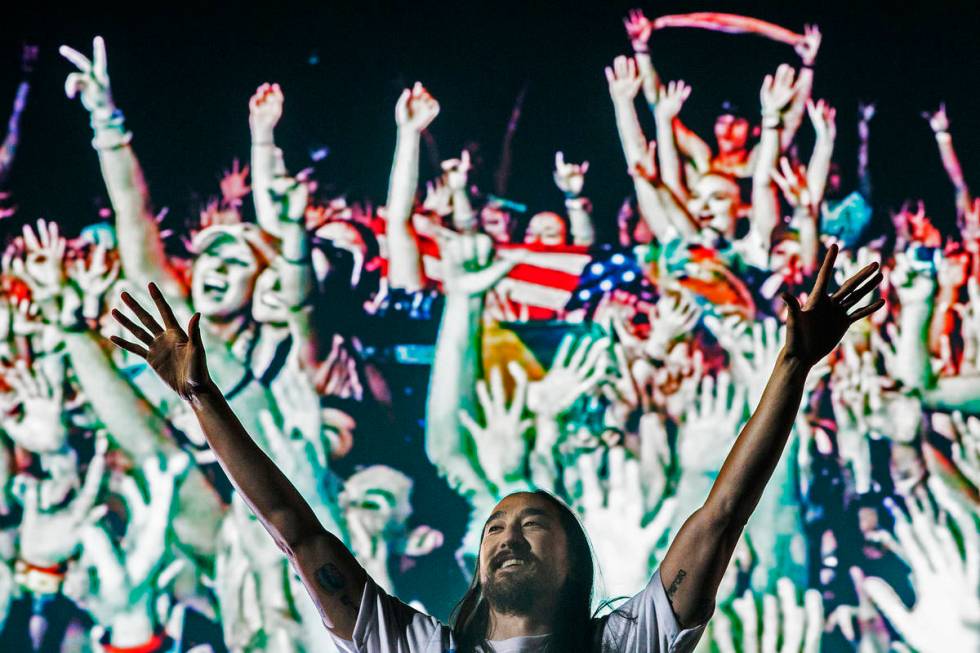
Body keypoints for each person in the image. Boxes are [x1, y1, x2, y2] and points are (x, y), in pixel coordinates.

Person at [107, 244, 883, 652]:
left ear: (575, 561)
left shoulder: (627, 641)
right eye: (495, 527)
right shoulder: (413, 645)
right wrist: (201, 396)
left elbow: (719, 516)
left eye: (531, 522)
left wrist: (790, 365)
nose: (505, 533)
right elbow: (297, 529)